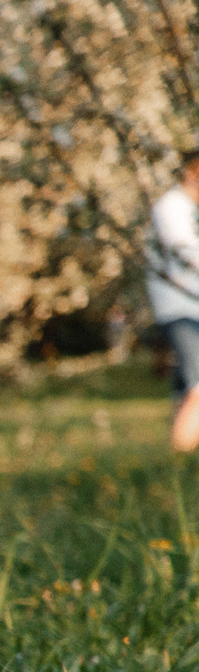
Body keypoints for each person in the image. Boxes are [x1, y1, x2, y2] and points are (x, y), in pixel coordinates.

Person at [150, 149, 199, 454]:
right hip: (178, 307)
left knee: (185, 388)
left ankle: (176, 458)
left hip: (191, 306)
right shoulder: (171, 206)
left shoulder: (189, 209)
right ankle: (178, 460)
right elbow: (184, 248)